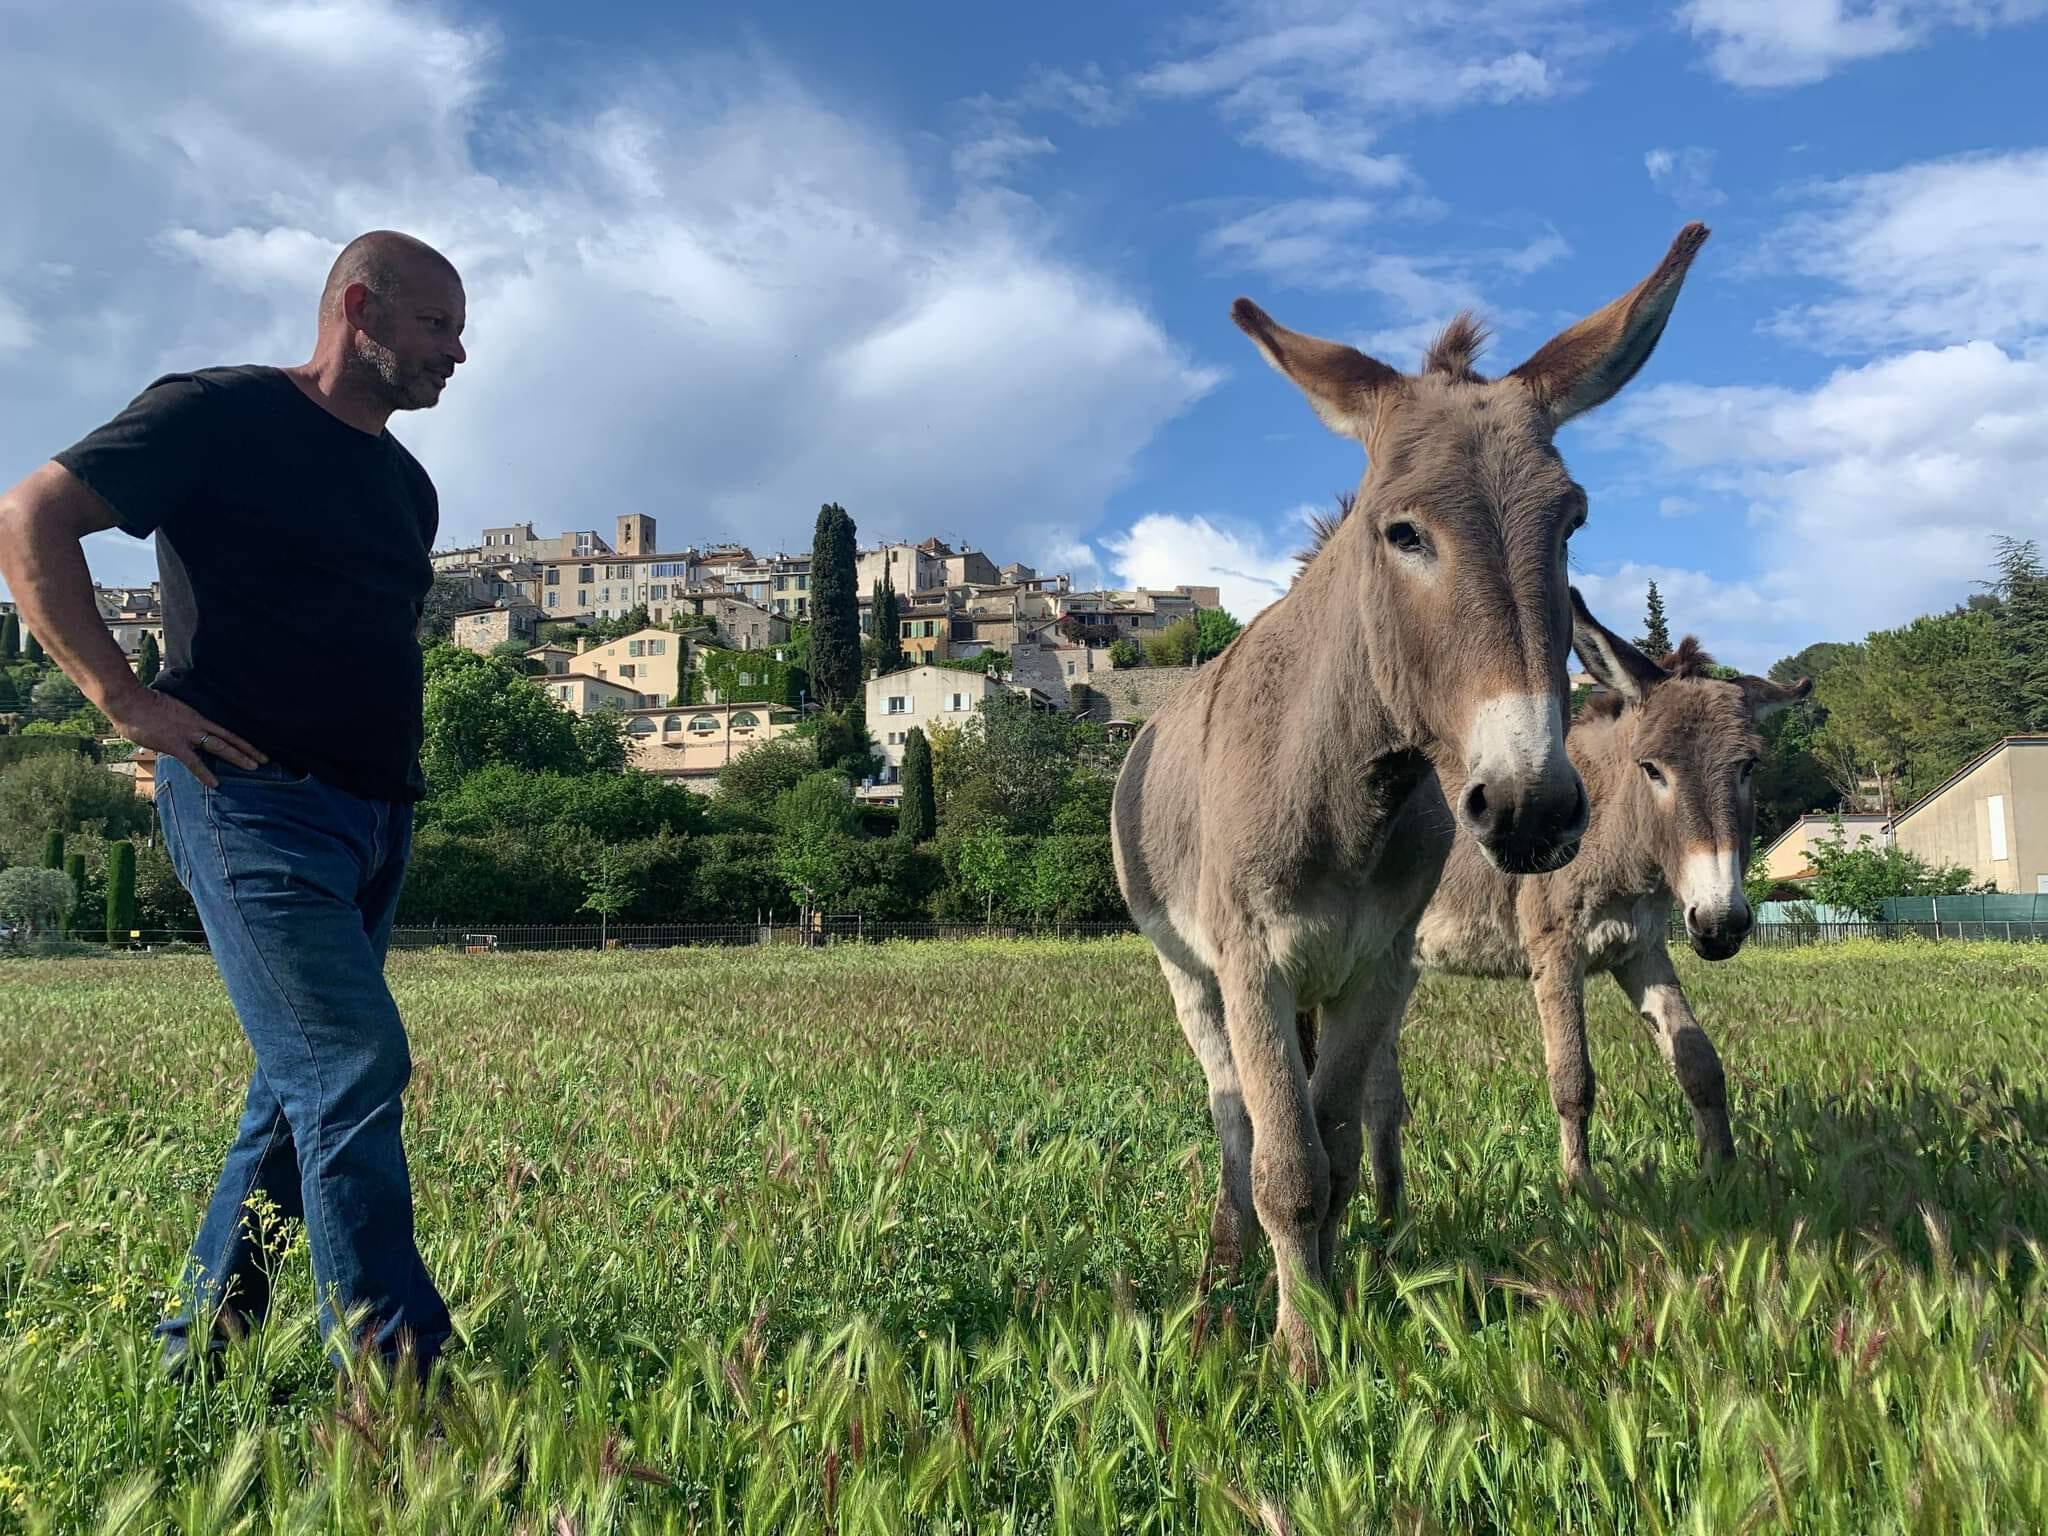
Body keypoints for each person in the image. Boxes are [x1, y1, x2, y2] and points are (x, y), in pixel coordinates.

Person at [0, 230, 468, 1381]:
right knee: (350, 1064)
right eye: (436, 325)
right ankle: (402, 1380)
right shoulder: (216, 414)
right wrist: (121, 699)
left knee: (294, 1093)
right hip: (250, 803)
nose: (457, 353)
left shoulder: (406, 486)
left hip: (374, 818)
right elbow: (31, 516)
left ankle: (201, 1355)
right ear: (357, 308)